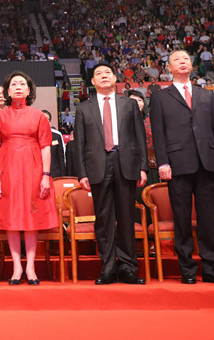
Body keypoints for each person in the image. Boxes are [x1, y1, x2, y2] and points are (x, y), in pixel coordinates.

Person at [149, 50, 214, 284]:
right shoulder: (160, 97)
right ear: (169, 68)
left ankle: (211, 268)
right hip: (177, 163)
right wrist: (163, 162)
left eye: (186, 59)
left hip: (206, 162)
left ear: (192, 65)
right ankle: (187, 269)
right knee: (182, 219)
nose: (182, 62)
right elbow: (158, 133)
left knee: (206, 218)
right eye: (177, 59)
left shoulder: (207, 95)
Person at [73, 63, 148, 285]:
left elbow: (139, 137)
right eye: (98, 74)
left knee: (126, 217)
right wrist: (82, 173)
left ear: (115, 79)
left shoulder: (129, 104)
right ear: (92, 82)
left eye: (107, 73)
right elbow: (79, 144)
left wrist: (143, 166)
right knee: (103, 219)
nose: (104, 76)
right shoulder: (83, 108)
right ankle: (107, 268)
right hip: (97, 165)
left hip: (125, 163)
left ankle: (128, 268)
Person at [0, 71, 56, 285]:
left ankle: (31, 266)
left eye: (22, 84)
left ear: (28, 90)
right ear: (8, 91)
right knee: (12, 218)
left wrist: (46, 175)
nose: (18, 87)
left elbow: (45, 147)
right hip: (7, 170)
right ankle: (16, 266)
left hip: (33, 169)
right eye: (14, 84)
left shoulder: (38, 116)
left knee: (31, 218)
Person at [42, 110, 67, 177]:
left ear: (49, 121)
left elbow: (61, 157)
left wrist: (63, 176)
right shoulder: (33, 135)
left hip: (54, 173)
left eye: (45, 119)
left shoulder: (57, 135)